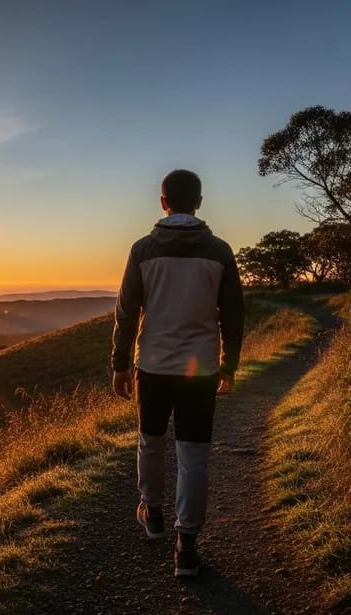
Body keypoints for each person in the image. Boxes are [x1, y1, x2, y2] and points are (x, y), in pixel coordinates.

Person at [111, 169, 243, 578]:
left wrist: (119, 364)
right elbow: (234, 314)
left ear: (163, 201)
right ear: (199, 202)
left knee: (150, 441)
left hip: (151, 365)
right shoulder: (220, 251)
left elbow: (126, 311)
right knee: (193, 455)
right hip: (200, 369)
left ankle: (151, 513)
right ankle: (186, 548)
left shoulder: (142, 250)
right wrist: (230, 363)